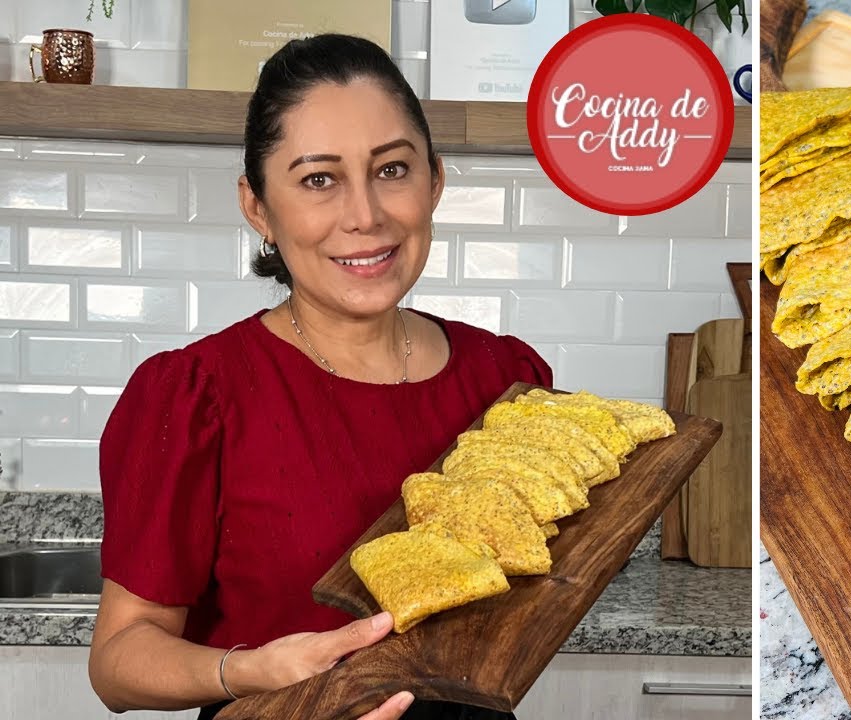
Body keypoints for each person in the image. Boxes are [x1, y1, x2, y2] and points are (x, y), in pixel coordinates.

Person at [87, 34, 549, 720]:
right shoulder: (196, 395)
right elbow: (118, 662)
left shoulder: (506, 380)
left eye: (392, 169)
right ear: (258, 208)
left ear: (435, 181)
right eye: (318, 179)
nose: (364, 215)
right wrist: (248, 671)